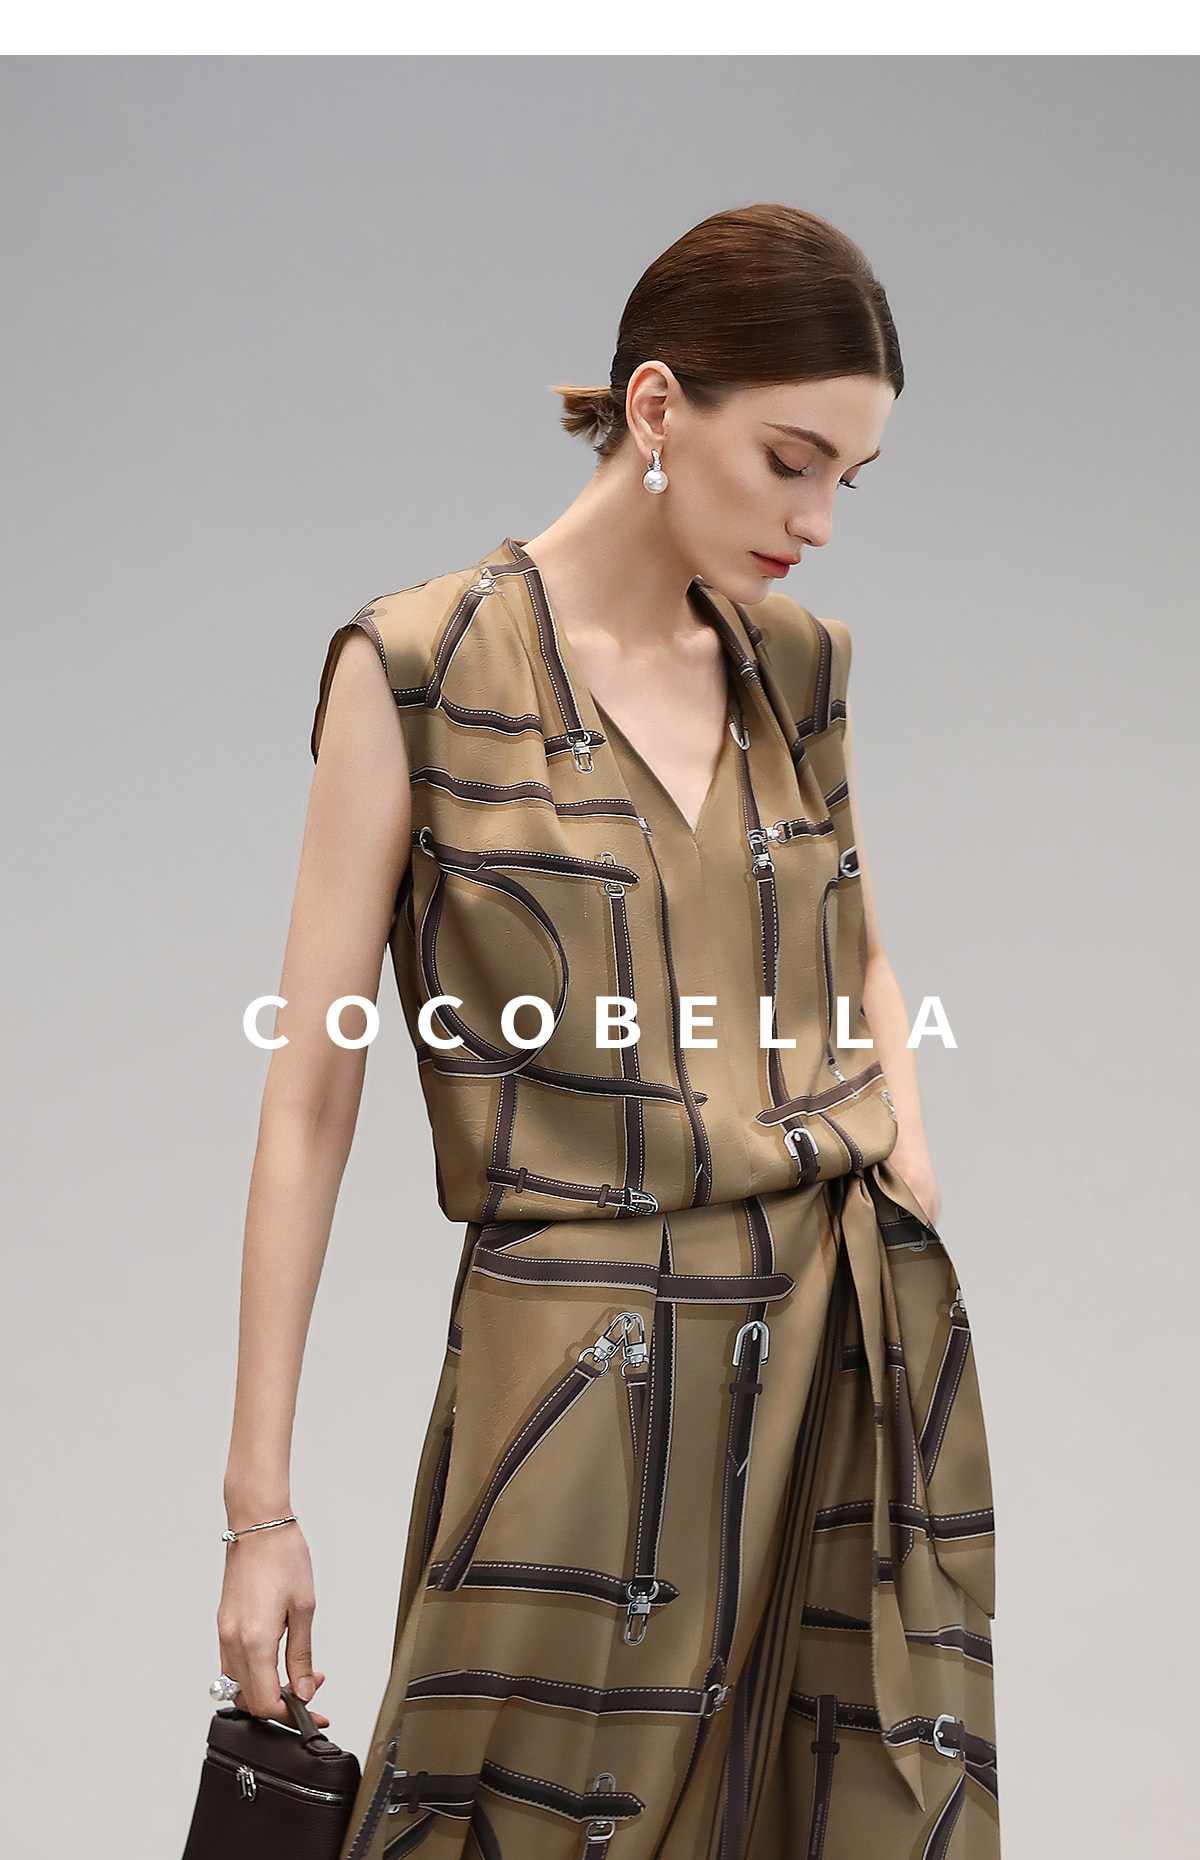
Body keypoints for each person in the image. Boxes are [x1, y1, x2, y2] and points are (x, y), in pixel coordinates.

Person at [215, 203, 1000, 1858]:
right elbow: (312, 1096)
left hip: (829, 1356)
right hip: (576, 1371)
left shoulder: (798, 668)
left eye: (849, 479)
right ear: (657, 408)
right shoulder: (418, 669)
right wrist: (258, 1509)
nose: (819, 521)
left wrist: (912, 1176)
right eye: (791, 461)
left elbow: (860, 948)